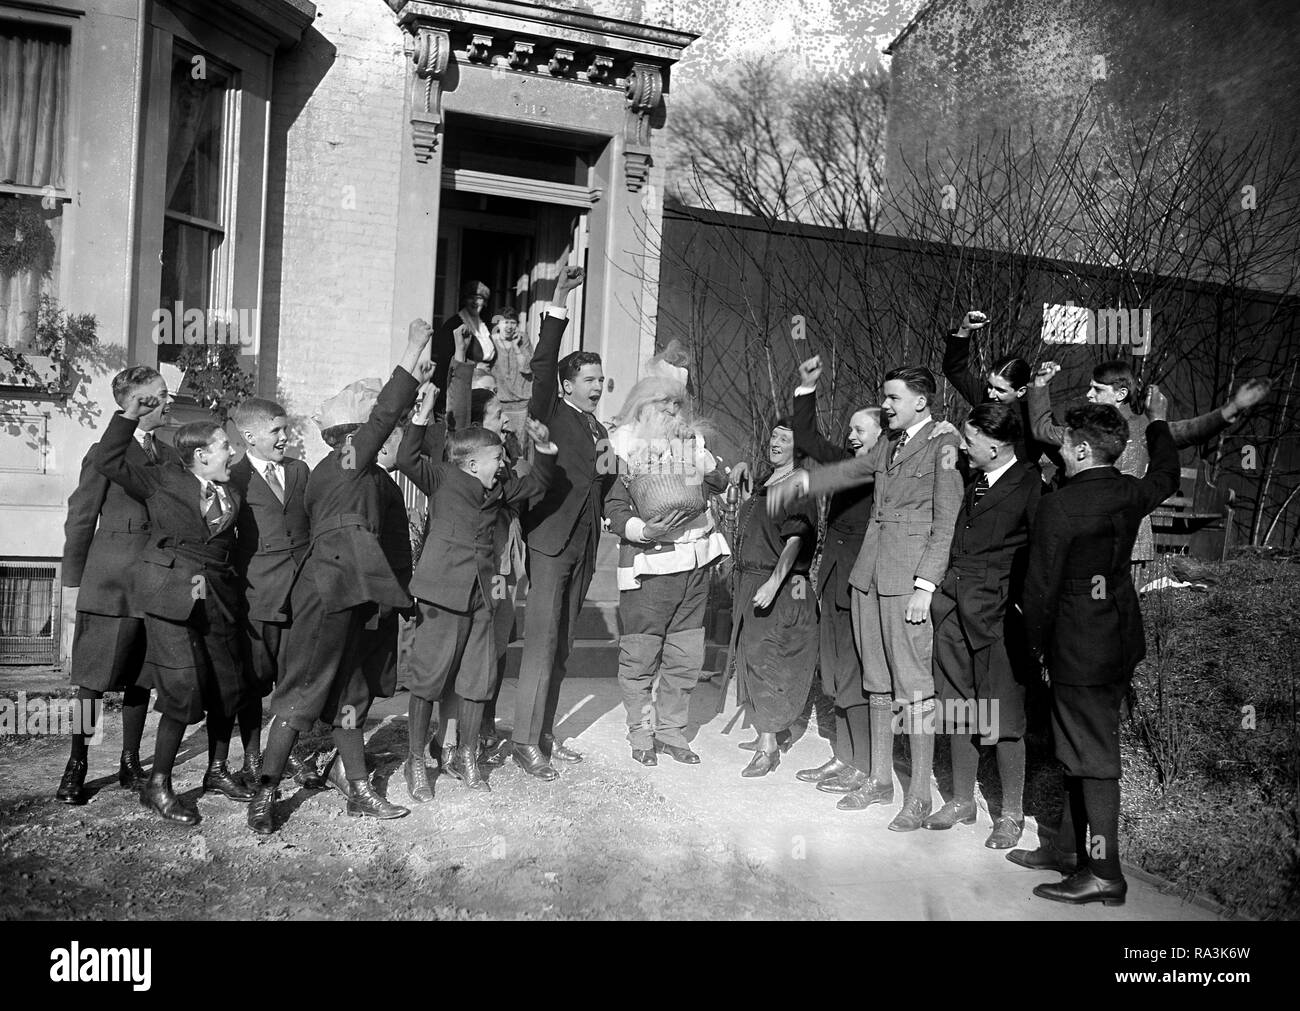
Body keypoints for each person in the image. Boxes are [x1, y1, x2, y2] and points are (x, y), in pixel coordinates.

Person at [246, 320, 434, 835]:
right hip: (326, 595)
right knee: (302, 695)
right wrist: (413, 350)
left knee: (350, 697)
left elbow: (391, 543)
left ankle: (358, 789)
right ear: (350, 436)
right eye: (377, 429)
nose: (387, 433)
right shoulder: (348, 461)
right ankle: (264, 793)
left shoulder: (372, 480)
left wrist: (399, 597)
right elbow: (386, 411)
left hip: (357, 597)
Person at [770, 366, 964, 830]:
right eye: (886, 398)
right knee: (877, 681)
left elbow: (946, 520)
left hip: (906, 583)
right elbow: (848, 470)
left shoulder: (945, 445)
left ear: (921, 400)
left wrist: (926, 586)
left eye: (894, 399)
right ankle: (879, 780)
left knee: (914, 689)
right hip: (867, 578)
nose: (887, 406)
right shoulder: (888, 446)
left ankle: (918, 796)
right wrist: (801, 485)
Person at [1011, 397, 1181, 906]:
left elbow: (1037, 591)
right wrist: (1157, 424)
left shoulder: (1059, 506)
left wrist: (1036, 648)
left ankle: (1104, 873)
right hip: (1118, 639)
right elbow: (1169, 474)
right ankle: (1072, 854)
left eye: (1064, 441)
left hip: (1077, 647)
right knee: (1080, 750)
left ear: (1082, 450)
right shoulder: (1131, 492)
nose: (1059, 448)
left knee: (1094, 758)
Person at [94, 398, 257, 824]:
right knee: (183, 690)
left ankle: (217, 771)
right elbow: (108, 458)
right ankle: (158, 784)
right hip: (170, 597)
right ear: (201, 454)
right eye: (225, 446)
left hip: (217, 599)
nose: (233, 453)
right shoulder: (161, 480)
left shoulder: (231, 492)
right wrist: (127, 414)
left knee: (228, 686)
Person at [398, 408, 557, 797]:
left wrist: (545, 448)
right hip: (443, 594)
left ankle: (467, 755)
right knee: (429, 678)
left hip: (485, 594)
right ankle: (417, 762)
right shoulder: (442, 478)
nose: (502, 463)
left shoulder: (499, 488)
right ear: (471, 464)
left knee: (477, 676)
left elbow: (537, 485)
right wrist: (419, 417)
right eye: (496, 457)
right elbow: (404, 458)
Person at [56, 366, 179, 805]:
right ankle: (77, 763)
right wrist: (72, 585)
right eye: (157, 397)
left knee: (140, 678)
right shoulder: (106, 450)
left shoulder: (169, 455)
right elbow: (81, 517)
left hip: (154, 583)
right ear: (133, 404)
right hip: (109, 583)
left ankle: (130, 761)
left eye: (165, 395)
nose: (166, 403)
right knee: (92, 680)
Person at [925, 402, 1041, 848]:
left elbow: (1038, 556)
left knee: (1003, 717)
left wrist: (1018, 610)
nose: (964, 448)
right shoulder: (975, 481)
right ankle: (961, 800)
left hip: (996, 619)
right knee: (957, 707)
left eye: (970, 442)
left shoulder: (1031, 485)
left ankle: (1010, 814)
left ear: (994, 446)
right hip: (953, 611)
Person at [511, 265, 612, 779]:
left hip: (586, 541)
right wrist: (558, 301)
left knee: (563, 643)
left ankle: (545, 733)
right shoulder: (550, 408)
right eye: (589, 380)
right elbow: (545, 360)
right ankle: (524, 740)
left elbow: (606, 484)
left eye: (600, 379)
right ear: (568, 384)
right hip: (550, 540)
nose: (597, 386)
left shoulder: (599, 427)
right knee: (541, 642)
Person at [1028, 361, 1270, 572]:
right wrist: (1040, 384)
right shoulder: (1083, 428)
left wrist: (1232, 408)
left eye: (1097, 389)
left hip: (1128, 538)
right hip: (1084, 530)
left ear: (1121, 393)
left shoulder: (1144, 427)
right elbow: (1042, 430)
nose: (1089, 394)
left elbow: (1190, 430)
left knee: (1120, 608)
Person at [604, 373, 730, 766]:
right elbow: (613, 507)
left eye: (678, 404)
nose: (673, 412)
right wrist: (644, 529)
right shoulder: (623, 445)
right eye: (664, 404)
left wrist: (696, 453)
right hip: (650, 568)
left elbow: (717, 483)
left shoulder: (693, 444)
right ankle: (642, 733)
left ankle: (673, 732)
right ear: (645, 405)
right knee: (641, 656)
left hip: (695, 564)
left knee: (685, 655)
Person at [788, 354, 883, 795]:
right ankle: (845, 757)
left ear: (882, 436)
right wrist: (806, 388)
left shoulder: (883, 469)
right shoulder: (849, 462)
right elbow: (805, 437)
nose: (850, 436)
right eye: (849, 429)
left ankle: (863, 764)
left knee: (857, 673)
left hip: (861, 582)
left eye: (859, 430)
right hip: (833, 579)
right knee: (837, 671)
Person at [228, 398, 324, 790]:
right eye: (276, 432)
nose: (285, 438)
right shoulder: (233, 477)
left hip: (301, 592)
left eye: (285, 430)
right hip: (257, 596)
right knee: (253, 681)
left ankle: (291, 754)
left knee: (295, 679)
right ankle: (253, 758)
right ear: (250, 436)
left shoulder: (300, 471)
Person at [719, 420, 817, 778]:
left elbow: (794, 540)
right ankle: (770, 729)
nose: (775, 442)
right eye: (774, 435)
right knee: (751, 658)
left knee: (768, 660)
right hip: (751, 581)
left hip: (780, 585)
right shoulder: (766, 485)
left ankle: (768, 747)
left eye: (785, 437)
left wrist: (774, 584)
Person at [943, 310, 1061, 480]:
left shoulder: (1034, 414)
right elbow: (955, 370)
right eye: (990, 386)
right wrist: (964, 329)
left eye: (1001, 390)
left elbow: (1062, 457)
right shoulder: (985, 398)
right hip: (982, 484)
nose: (991, 394)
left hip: (1020, 489)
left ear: (1021, 391)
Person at [429, 280, 494, 411]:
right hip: (464, 385)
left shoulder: (483, 326)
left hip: (482, 385)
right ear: (464, 300)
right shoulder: (454, 325)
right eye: (471, 297)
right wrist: (475, 366)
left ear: (485, 302)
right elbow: (446, 361)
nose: (475, 302)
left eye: (479, 298)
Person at [487, 308, 533, 446]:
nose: (509, 326)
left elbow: (527, 368)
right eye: (505, 322)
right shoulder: (491, 342)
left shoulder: (523, 339)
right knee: (497, 442)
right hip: (499, 401)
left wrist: (516, 347)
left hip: (521, 402)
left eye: (513, 322)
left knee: (519, 445)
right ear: (498, 324)